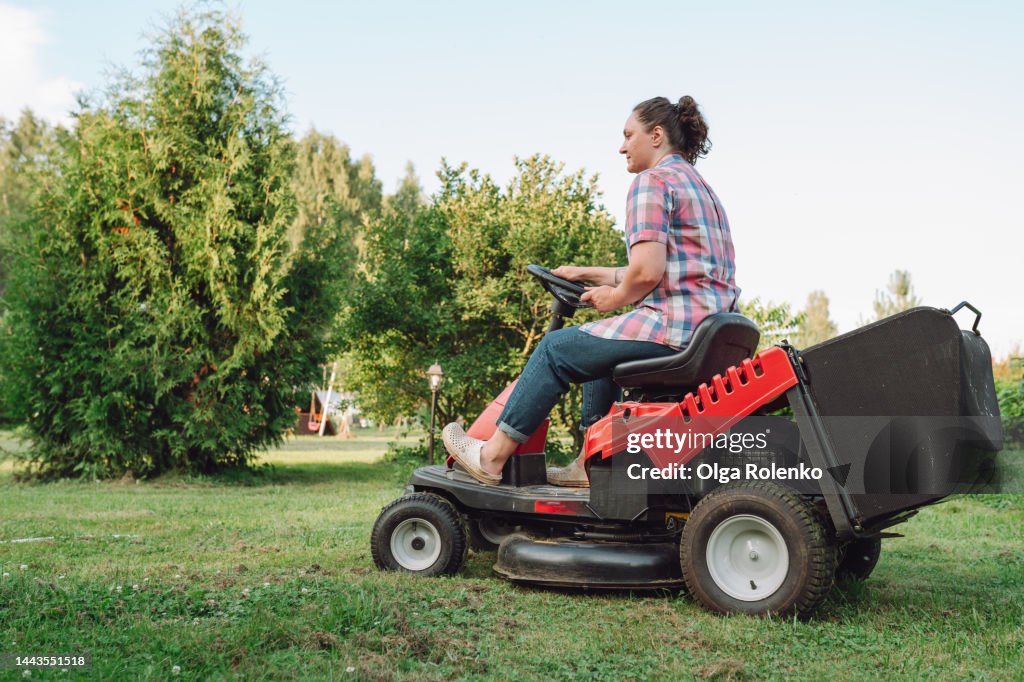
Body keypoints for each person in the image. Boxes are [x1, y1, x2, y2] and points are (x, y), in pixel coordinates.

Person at [442, 95, 740, 487]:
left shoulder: (651, 182)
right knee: (602, 356)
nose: (621, 146)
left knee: (556, 349)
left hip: (673, 329)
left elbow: (647, 272)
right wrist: (588, 273)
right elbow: (665, 270)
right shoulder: (702, 190)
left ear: (655, 135)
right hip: (706, 331)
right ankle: (589, 463)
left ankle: (492, 456)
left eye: (627, 135)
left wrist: (614, 299)